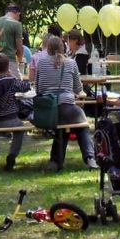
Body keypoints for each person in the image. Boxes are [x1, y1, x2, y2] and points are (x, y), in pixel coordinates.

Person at [34, 37, 97, 169]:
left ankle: (55, 161)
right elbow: (78, 88)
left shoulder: (41, 63)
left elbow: (38, 89)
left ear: (48, 49)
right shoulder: (71, 63)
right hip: (67, 106)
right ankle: (90, 157)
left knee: (63, 126)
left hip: (48, 110)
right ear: (63, 48)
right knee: (82, 125)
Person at [0, 4, 25, 79]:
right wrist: (19, 61)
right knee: (16, 83)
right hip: (9, 62)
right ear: (18, 14)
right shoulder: (16, 24)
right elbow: (19, 49)